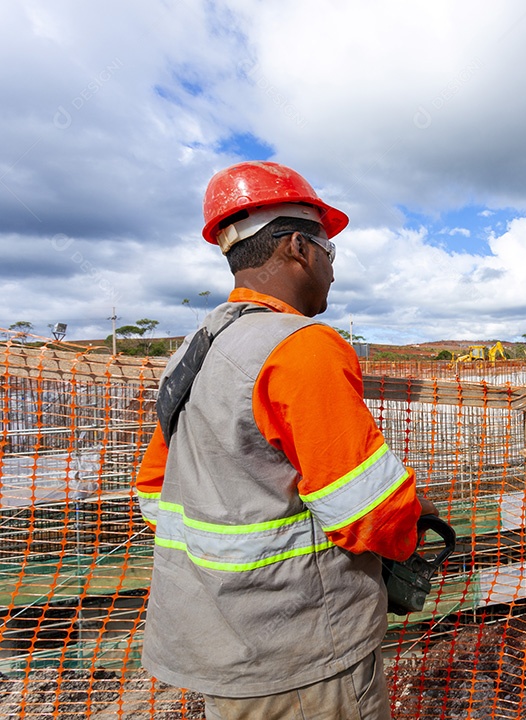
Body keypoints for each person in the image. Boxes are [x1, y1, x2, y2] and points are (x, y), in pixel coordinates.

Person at [136, 160, 436, 719]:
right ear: (299, 246)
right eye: (330, 251)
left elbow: (155, 491)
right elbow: (371, 510)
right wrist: (409, 528)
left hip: (224, 647)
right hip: (306, 654)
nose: (331, 268)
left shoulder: (192, 352)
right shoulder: (302, 347)